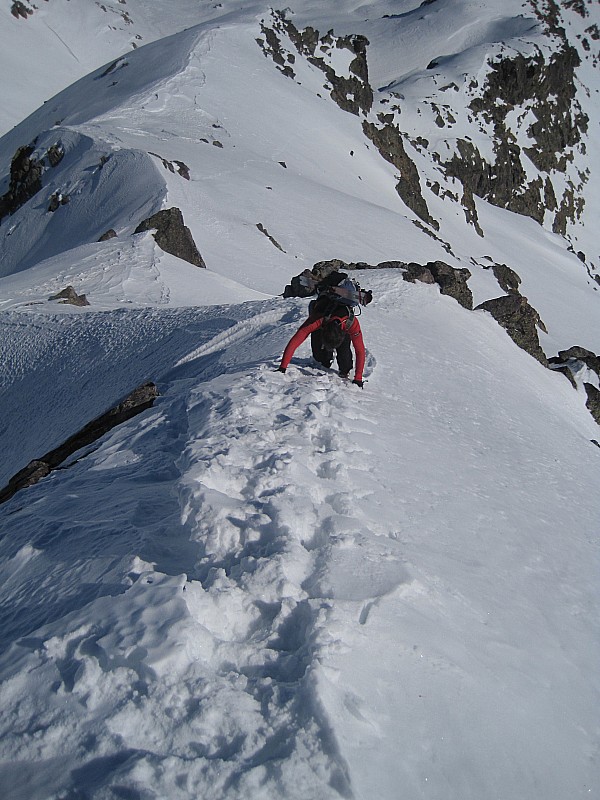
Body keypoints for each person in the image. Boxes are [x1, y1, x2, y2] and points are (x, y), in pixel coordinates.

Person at [278, 304, 366, 387]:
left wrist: (358, 378)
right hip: (322, 322)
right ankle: (324, 359)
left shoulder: (351, 323)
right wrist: (282, 367)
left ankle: (345, 370)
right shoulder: (316, 320)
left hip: (341, 328)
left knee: (345, 359)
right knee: (321, 358)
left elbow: (360, 351)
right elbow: (296, 340)